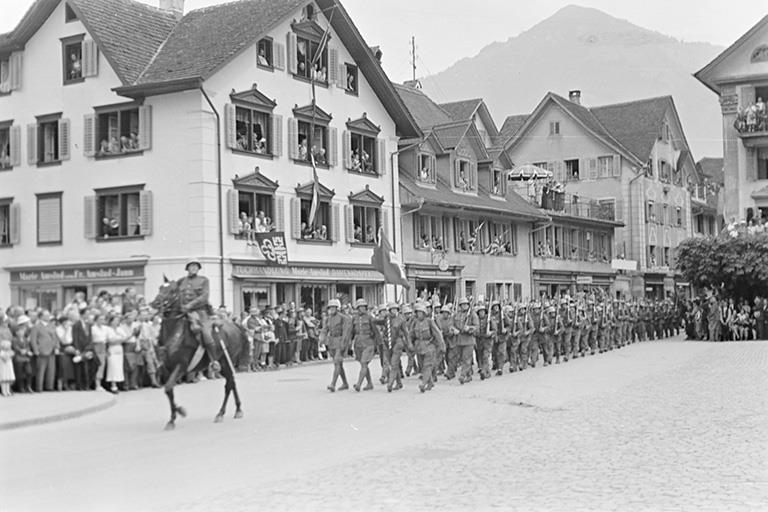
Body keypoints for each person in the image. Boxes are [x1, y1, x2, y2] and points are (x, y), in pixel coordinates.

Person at [178, 259, 220, 372]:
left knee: (206, 334)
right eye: (191, 266)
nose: (194, 268)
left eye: (196, 267)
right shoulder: (181, 281)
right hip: (183, 312)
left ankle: (213, 360)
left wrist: (190, 305)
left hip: (200, 312)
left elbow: (204, 297)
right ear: (187, 268)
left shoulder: (204, 280)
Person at [410, 303, 445, 393]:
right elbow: (411, 335)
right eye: (418, 312)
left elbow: (437, 334)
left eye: (421, 312)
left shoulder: (430, 321)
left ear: (424, 313)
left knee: (427, 366)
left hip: (429, 346)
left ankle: (423, 383)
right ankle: (430, 382)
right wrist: (409, 344)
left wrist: (442, 345)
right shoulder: (415, 322)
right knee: (422, 366)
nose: (419, 314)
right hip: (419, 347)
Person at [350, 298, 381, 392]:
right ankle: (369, 383)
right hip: (358, 344)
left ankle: (358, 384)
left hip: (368, 343)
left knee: (364, 363)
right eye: (360, 307)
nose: (362, 308)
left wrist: (379, 344)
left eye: (364, 307)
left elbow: (376, 331)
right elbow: (351, 332)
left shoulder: (370, 317)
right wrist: (348, 343)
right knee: (363, 364)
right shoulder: (354, 318)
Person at [322, 299, 350, 392]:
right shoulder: (328, 318)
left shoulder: (343, 318)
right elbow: (325, 329)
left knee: (337, 362)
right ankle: (345, 383)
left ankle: (333, 384)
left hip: (340, 340)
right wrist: (322, 339)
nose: (332, 309)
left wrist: (344, 343)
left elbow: (346, 331)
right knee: (339, 364)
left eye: (334, 307)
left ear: (338, 308)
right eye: (330, 307)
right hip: (332, 342)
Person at [30, 310, 59, 392]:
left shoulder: (52, 326)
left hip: (52, 350)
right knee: (41, 370)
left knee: (51, 369)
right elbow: (33, 339)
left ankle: (49, 386)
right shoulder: (36, 327)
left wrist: (57, 347)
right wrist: (35, 350)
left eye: (49, 315)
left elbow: (56, 337)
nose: (48, 316)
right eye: (46, 315)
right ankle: (39, 387)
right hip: (42, 350)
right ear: (41, 316)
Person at [451, 298, 478, 384]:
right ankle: (469, 375)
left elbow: (477, 327)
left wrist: (469, 328)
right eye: (462, 304)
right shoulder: (456, 315)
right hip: (459, 339)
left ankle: (462, 375)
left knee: (466, 358)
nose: (464, 306)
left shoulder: (472, 315)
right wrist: (454, 329)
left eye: (465, 304)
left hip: (469, 340)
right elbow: (451, 325)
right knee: (462, 359)